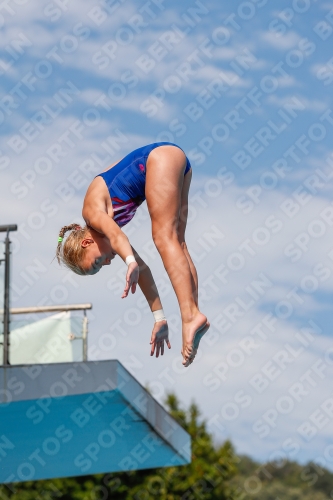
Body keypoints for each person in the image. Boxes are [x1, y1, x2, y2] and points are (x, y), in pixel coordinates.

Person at [56, 142, 209, 367]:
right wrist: (160, 318)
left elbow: (121, 242)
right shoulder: (109, 234)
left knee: (162, 237)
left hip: (157, 160)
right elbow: (143, 271)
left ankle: (190, 316)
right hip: (176, 162)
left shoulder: (91, 213)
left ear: (87, 242)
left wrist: (129, 261)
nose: (107, 263)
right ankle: (194, 313)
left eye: (97, 262)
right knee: (177, 242)